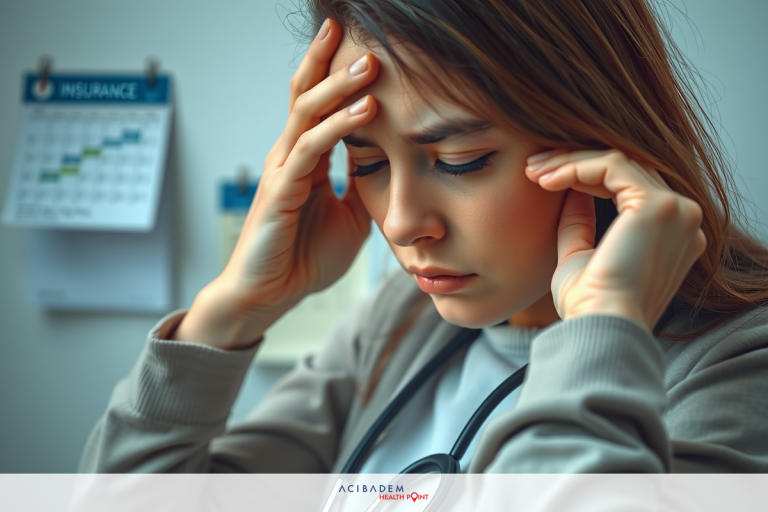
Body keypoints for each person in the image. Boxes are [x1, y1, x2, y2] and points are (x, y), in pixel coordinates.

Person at [79, 0, 768, 474]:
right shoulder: (395, 324)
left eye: (461, 160)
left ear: (598, 136)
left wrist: (604, 329)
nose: (403, 223)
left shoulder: (739, 363)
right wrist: (233, 308)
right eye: (368, 163)